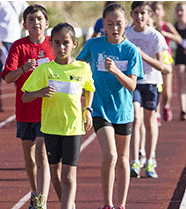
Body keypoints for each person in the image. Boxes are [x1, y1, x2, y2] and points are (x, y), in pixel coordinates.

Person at [22, 22, 95, 209]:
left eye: (65, 43)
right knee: (55, 174)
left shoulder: (82, 68)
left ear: (74, 44)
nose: (61, 47)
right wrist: (39, 92)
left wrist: (88, 110)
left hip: (73, 128)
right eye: (56, 43)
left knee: (68, 175)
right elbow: (25, 96)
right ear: (51, 44)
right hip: (50, 127)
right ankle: (68, 204)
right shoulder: (44, 70)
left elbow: (89, 88)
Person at [78, 3, 143, 209]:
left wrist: (115, 70)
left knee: (123, 159)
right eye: (110, 24)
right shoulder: (93, 45)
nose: (115, 28)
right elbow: (78, 67)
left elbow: (132, 85)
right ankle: (107, 203)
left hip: (123, 111)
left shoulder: (131, 51)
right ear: (103, 24)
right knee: (111, 155)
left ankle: (121, 204)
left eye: (119, 24)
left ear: (126, 24)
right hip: (100, 109)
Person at [1, 5, 55, 209]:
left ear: (46, 23)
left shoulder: (53, 45)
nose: (36, 22)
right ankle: (35, 192)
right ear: (25, 24)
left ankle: (42, 200)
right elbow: (7, 77)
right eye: (31, 19)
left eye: (40, 18)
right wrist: (23, 68)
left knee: (42, 154)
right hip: (25, 109)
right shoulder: (18, 47)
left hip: (48, 108)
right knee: (29, 158)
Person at [126, 1, 171, 179]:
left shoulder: (155, 36)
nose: (139, 17)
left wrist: (142, 55)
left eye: (143, 13)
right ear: (131, 15)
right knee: (135, 118)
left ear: (149, 15)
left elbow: (162, 66)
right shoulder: (127, 34)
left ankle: (151, 159)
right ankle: (135, 159)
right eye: (136, 13)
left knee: (149, 121)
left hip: (151, 82)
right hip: (134, 82)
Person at [0, 1, 28, 112]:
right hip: (1, 41)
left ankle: (23, 101)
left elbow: (28, 13)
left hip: (14, 41)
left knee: (17, 71)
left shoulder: (21, 1)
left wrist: (19, 27)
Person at [151, 1, 182, 123]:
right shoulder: (148, 25)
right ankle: (156, 113)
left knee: (166, 90)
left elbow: (179, 38)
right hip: (152, 60)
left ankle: (166, 106)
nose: (156, 12)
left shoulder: (167, 25)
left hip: (165, 60)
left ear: (163, 12)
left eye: (158, 9)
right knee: (155, 87)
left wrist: (165, 34)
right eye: (153, 9)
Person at [173, 2, 186, 121]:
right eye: (178, 11)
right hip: (180, 57)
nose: (180, 13)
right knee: (182, 84)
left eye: (182, 10)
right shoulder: (175, 26)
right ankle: (183, 111)